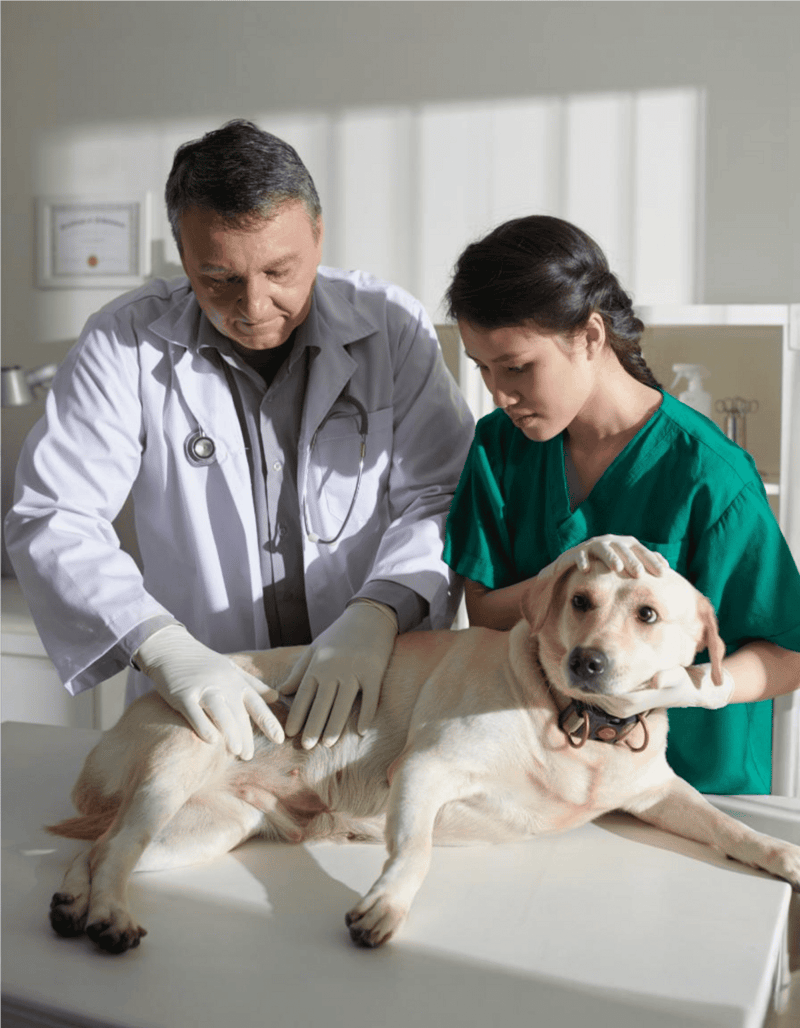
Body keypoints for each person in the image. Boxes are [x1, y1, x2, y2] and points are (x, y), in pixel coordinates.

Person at [5, 119, 474, 757]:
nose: (253, 306)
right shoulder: (124, 341)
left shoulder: (389, 325)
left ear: (317, 234)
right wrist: (163, 646)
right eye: (218, 278)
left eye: (280, 271)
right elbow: (56, 517)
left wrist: (379, 613)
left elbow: (441, 492)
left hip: (372, 684)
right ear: (183, 253)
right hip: (208, 698)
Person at [442, 214, 800, 795]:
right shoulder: (498, 448)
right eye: (483, 369)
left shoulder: (709, 475)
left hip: (696, 784)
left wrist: (697, 686)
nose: (499, 394)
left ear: (589, 336)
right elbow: (483, 613)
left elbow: (790, 650)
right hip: (550, 772)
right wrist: (564, 569)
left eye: (516, 368)